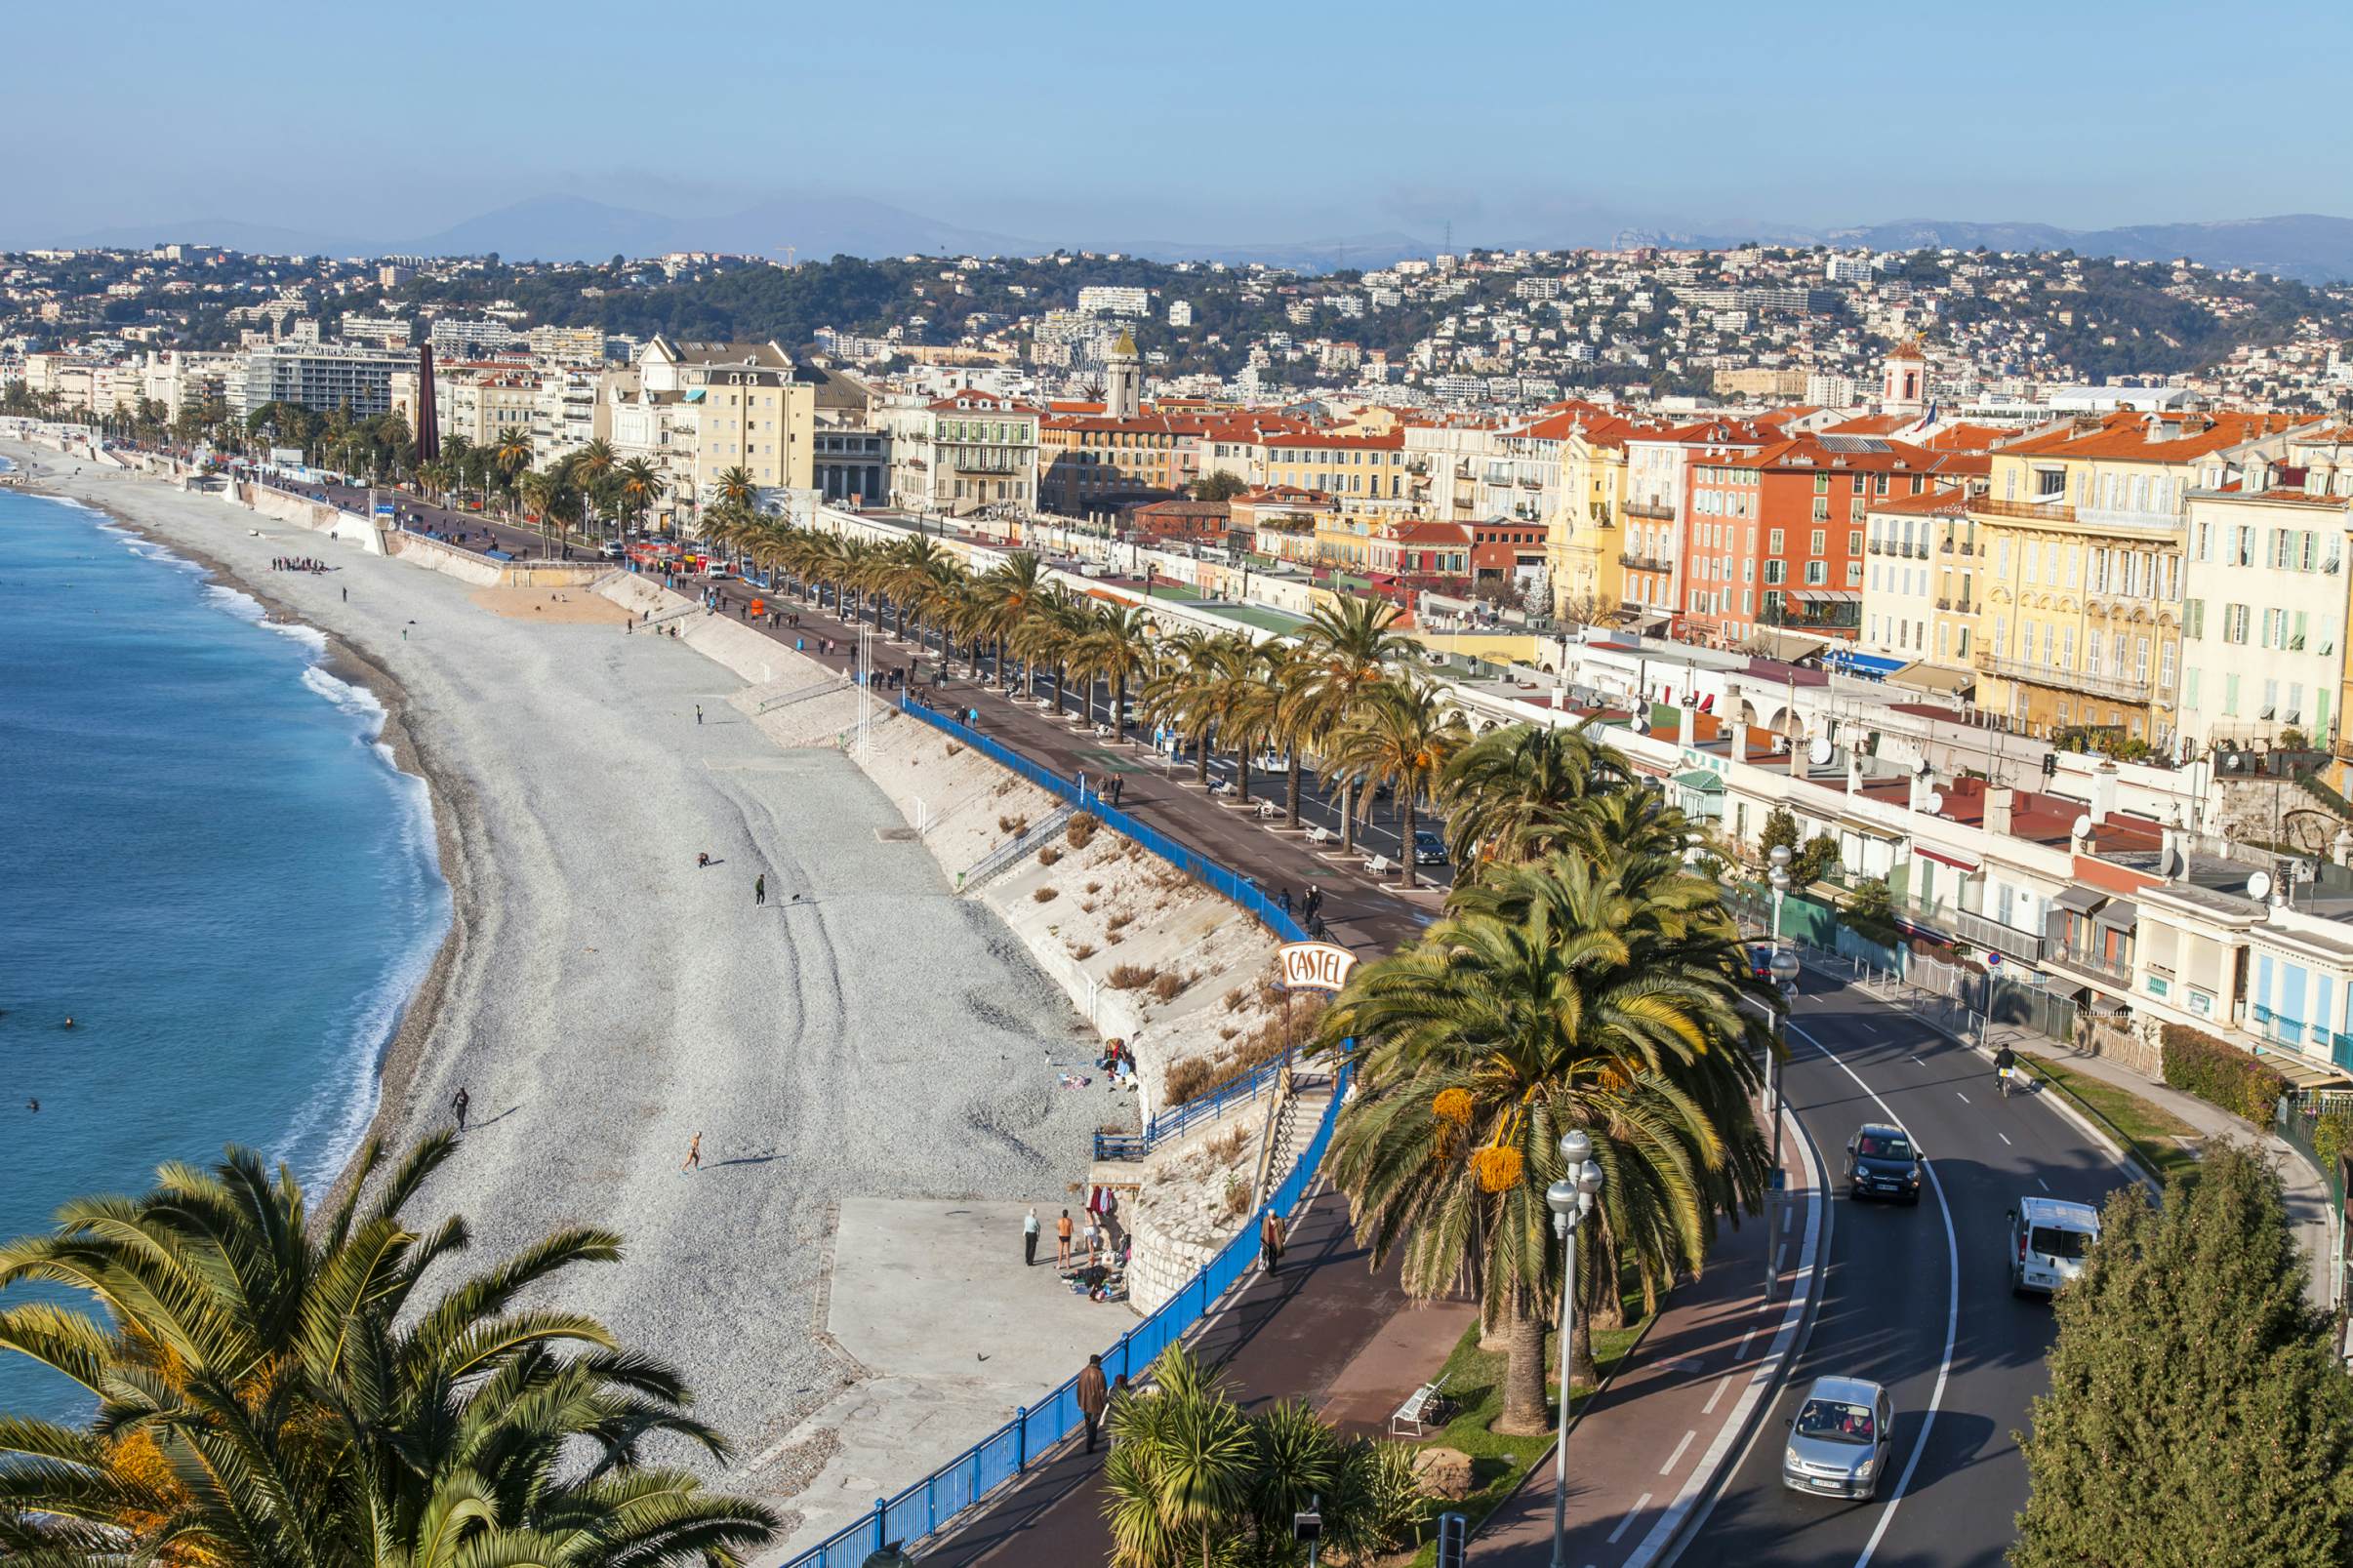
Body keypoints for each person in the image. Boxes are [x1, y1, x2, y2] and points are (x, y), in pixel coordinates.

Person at [1075, 1353, 1110, 1454]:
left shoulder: (1083, 1372)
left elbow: (1078, 1389)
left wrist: (1079, 1402)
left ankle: (1089, 1438)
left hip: (1084, 1402)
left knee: (1087, 1422)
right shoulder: (1099, 1374)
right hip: (1095, 1403)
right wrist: (1105, 1402)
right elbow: (1102, 1390)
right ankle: (1090, 1446)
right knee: (1093, 1425)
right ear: (1097, 1362)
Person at [1260, 1207, 1285, 1273]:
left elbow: (1283, 1230)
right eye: (1270, 1215)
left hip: (1276, 1242)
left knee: (1274, 1256)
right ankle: (1271, 1267)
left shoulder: (1279, 1220)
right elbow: (1263, 1230)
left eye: (1272, 1215)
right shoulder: (1265, 1220)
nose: (1271, 1216)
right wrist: (1262, 1238)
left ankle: (1272, 1269)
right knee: (1269, 1255)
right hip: (1267, 1241)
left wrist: (1282, 1238)